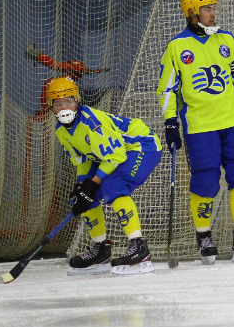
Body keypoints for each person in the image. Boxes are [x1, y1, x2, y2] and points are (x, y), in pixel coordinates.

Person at [157, 0, 234, 264]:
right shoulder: (177, 46)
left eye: (213, 8)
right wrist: (170, 120)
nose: (213, 13)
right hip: (199, 126)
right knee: (206, 180)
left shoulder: (226, 39)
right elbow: (168, 88)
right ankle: (203, 237)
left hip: (233, 122)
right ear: (192, 13)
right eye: (207, 9)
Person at [48, 77, 161, 276]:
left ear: (77, 101)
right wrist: (84, 185)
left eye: (69, 101)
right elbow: (83, 160)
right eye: (58, 103)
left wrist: (94, 184)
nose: (64, 107)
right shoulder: (61, 131)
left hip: (140, 146)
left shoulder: (92, 122)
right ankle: (101, 250)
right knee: (82, 196)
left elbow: (117, 155)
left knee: (113, 186)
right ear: (51, 107)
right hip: (110, 157)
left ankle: (139, 247)